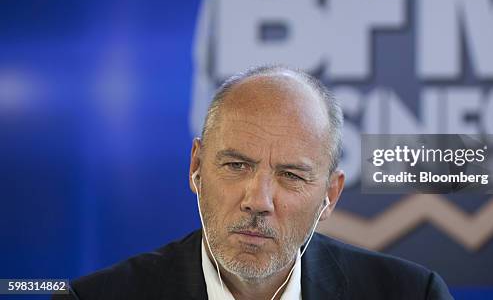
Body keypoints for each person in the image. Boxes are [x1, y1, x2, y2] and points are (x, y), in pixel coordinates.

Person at [55, 65, 453, 300]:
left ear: (330, 196)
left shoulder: (411, 295)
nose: (258, 200)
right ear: (196, 167)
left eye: (291, 175)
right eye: (236, 166)